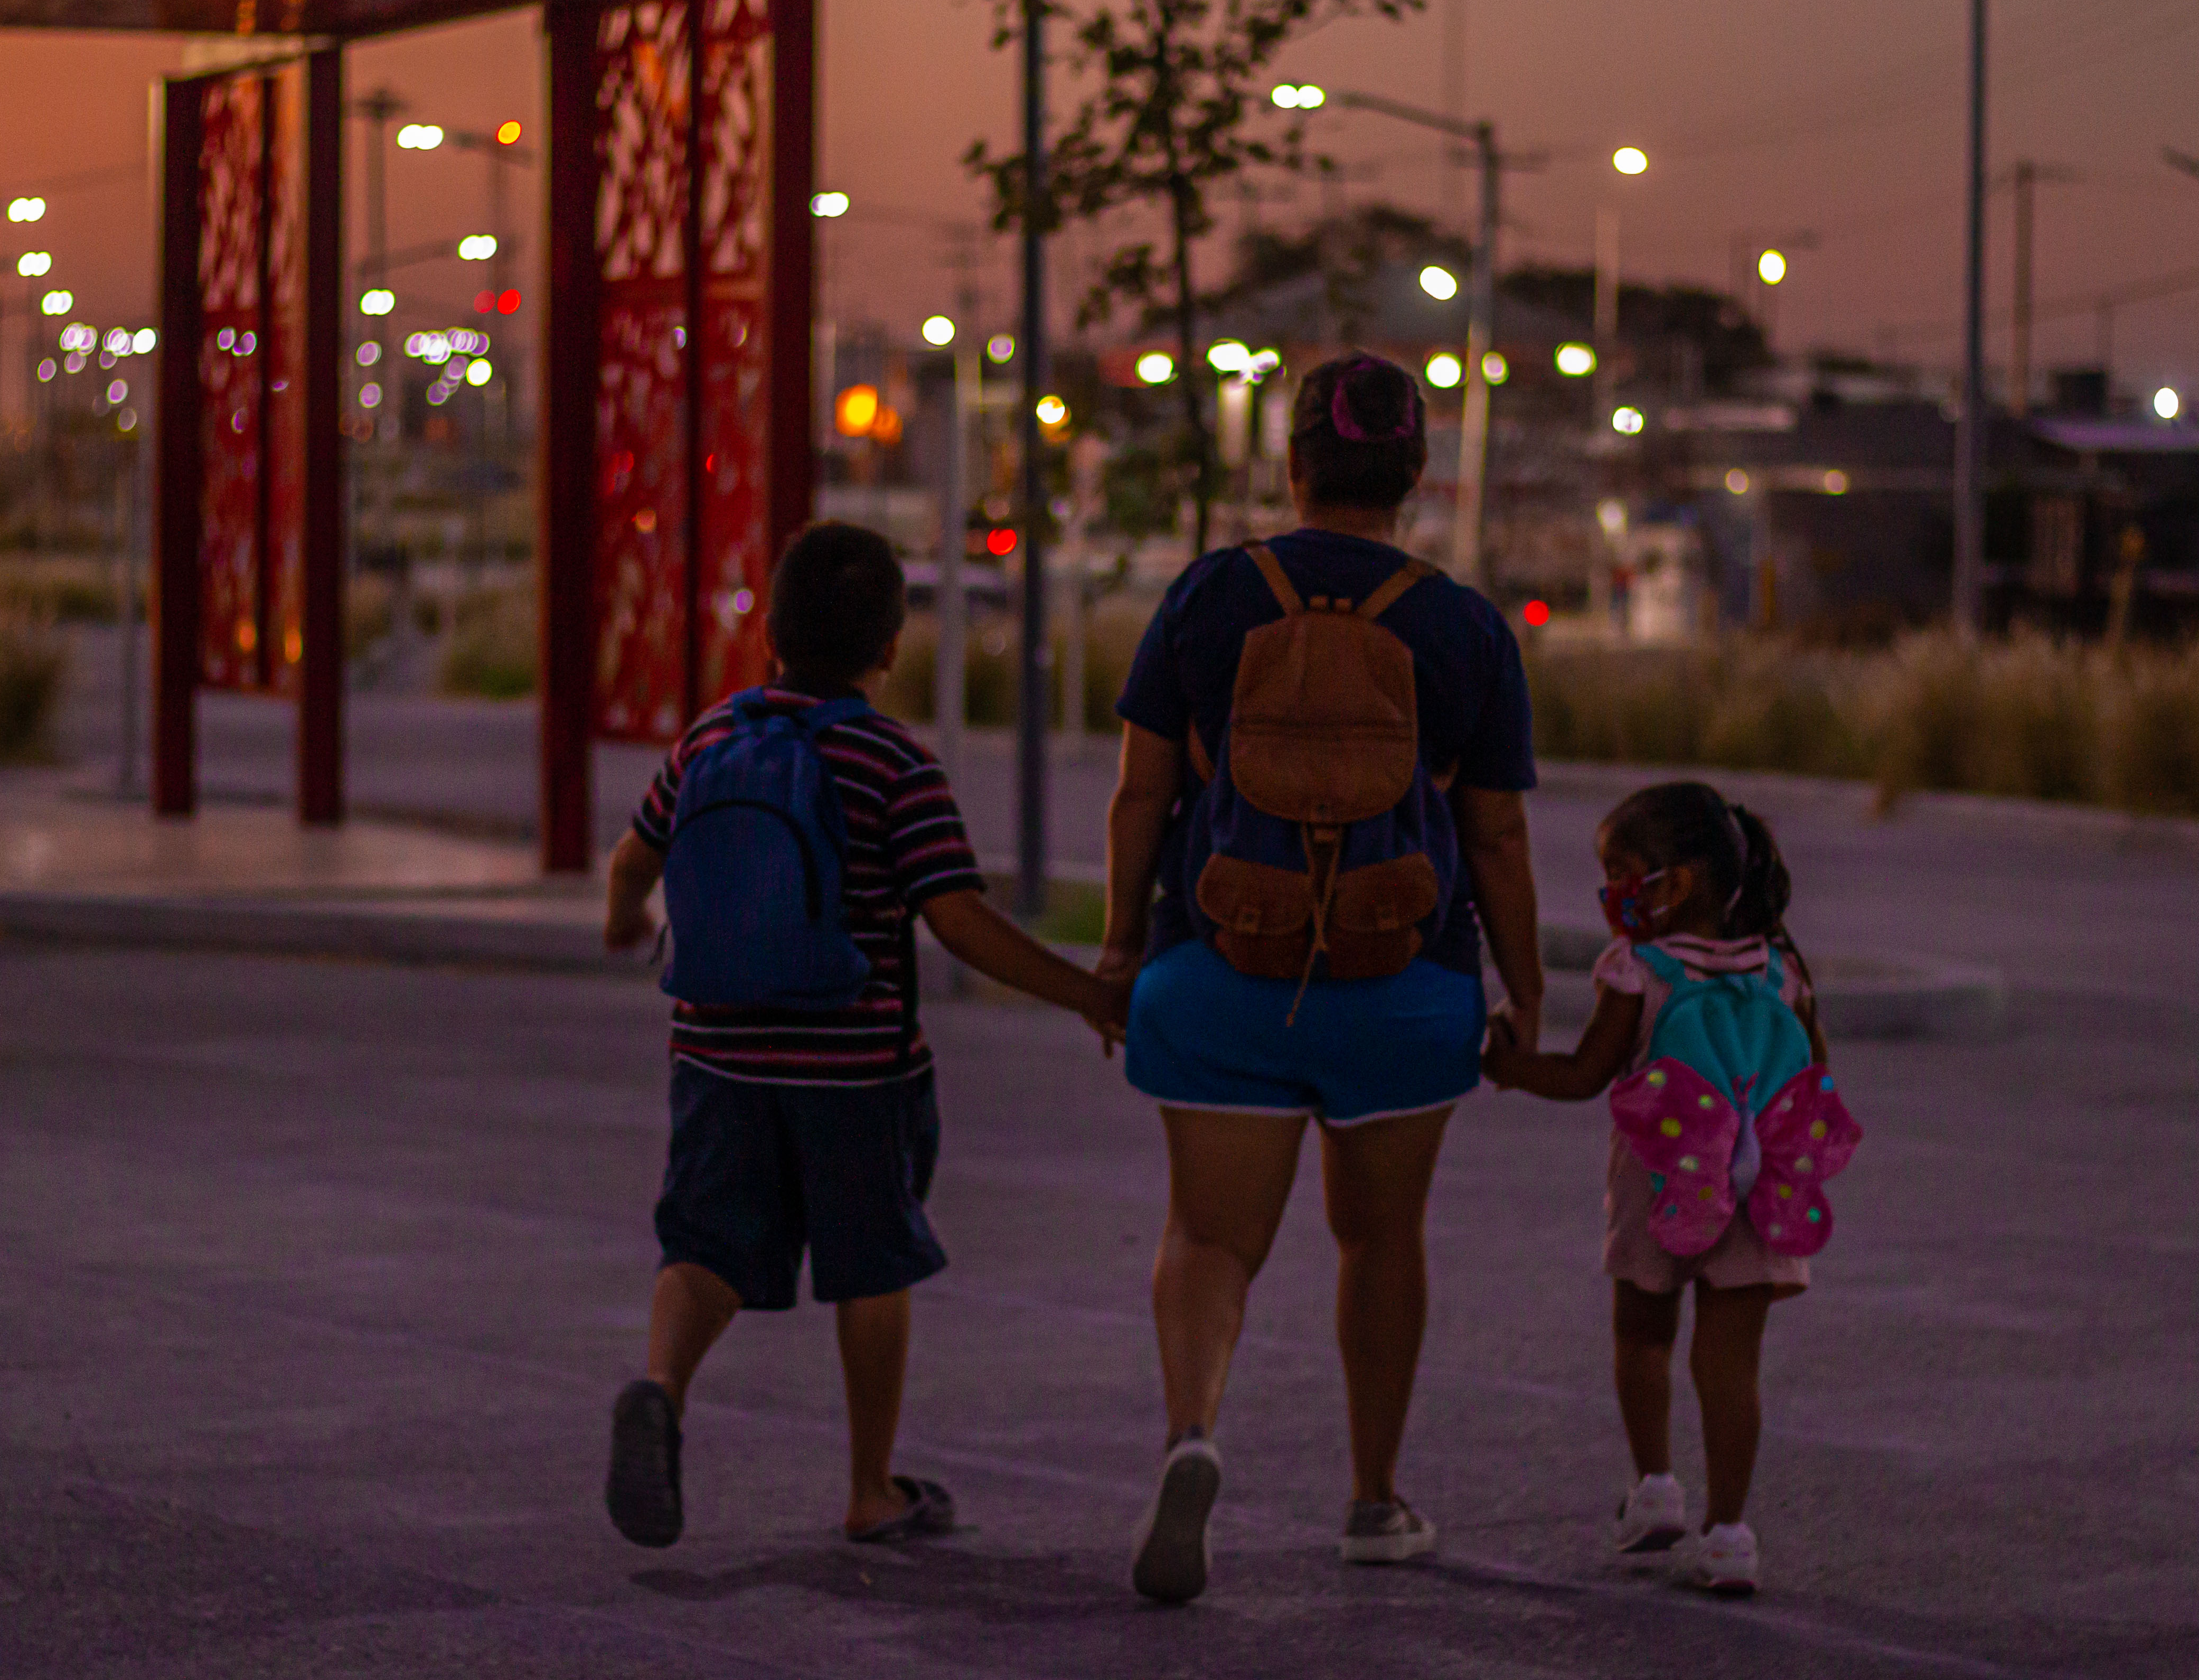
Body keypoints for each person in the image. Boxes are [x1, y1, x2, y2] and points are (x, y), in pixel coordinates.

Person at [1095, 352, 1544, 1603]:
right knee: (1381, 1237)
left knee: (1208, 1236)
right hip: (1404, 986)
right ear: (1417, 473)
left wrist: (1123, 945)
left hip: (1221, 970)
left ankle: (1194, 1432)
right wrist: (1525, 992)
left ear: (1291, 463)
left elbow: (1140, 793)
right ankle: (1374, 1499)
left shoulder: (1209, 595)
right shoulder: (1464, 625)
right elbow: (1498, 834)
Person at [600, 522, 1124, 1549]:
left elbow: (632, 859)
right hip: (853, 1067)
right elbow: (958, 920)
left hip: (715, 1053)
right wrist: (1086, 994)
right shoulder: (894, 763)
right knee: (871, 1260)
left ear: (771, 636)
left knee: (704, 1246)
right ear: (889, 645)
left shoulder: (709, 737)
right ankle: (871, 1488)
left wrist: (626, 924)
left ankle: (660, 1388)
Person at [1481, 781, 1833, 1598]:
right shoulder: (1781, 971)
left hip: (1659, 1180)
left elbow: (1584, 1074)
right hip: (1757, 1185)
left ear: (1674, 882)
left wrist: (1508, 1067)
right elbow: (1812, 1077)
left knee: (1642, 1335)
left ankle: (1654, 1490)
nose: (1610, 894)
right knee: (1731, 1365)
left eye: (1621, 874)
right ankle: (1730, 1534)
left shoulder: (1640, 971)